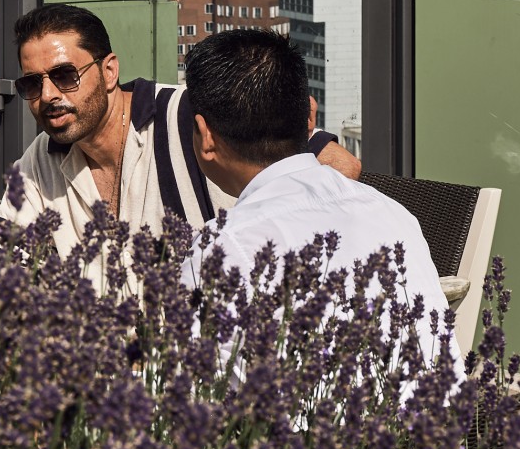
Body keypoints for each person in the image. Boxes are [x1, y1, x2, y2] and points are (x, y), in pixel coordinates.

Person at [0, 4, 358, 285]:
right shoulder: (41, 158)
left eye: (64, 75)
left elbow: (340, 165)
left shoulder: (189, 114)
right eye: (31, 84)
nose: (48, 95)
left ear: (109, 71)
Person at [179, 29, 446, 367]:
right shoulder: (393, 213)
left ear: (206, 137)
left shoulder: (222, 249)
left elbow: (192, 385)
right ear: (310, 117)